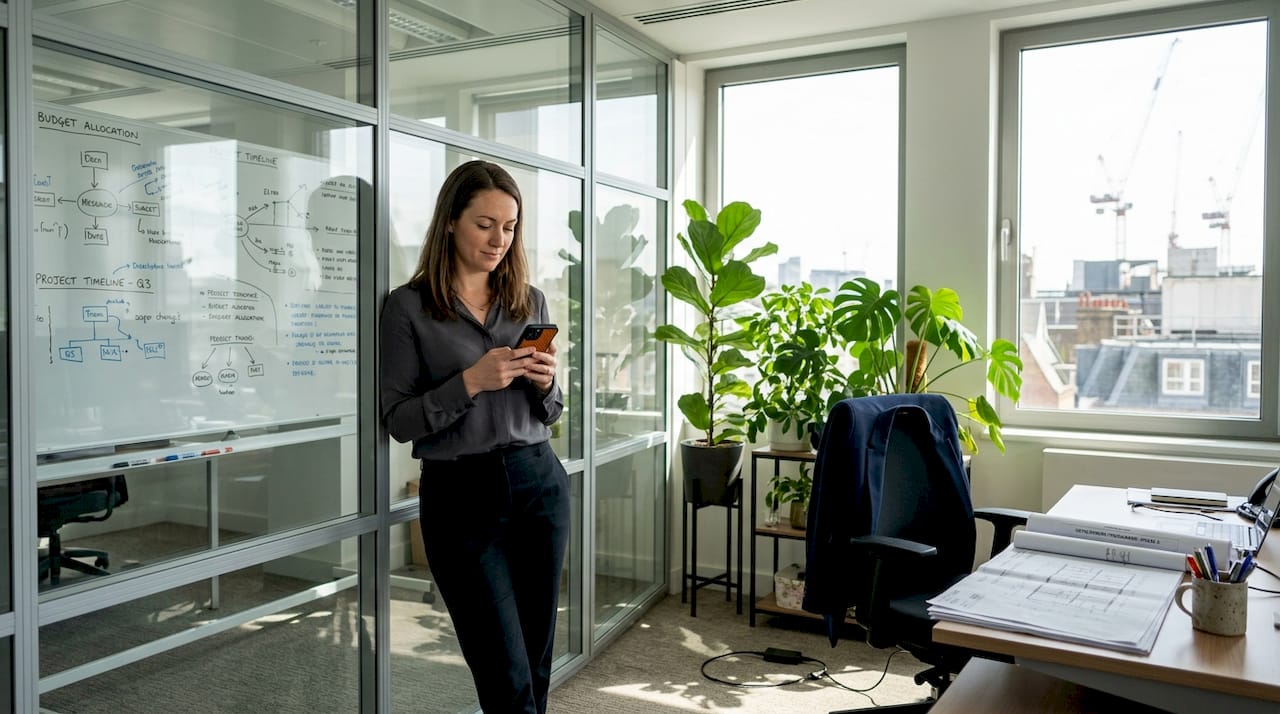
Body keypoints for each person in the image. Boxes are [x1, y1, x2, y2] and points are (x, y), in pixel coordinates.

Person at [380, 160, 569, 714]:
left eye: (509, 227)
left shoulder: (529, 301)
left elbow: (551, 412)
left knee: (535, 661)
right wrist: (468, 383)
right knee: (503, 670)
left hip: (539, 481)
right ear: (450, 223)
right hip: (462, 496)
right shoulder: (407, 307)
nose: (499, 240)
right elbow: (398, 420)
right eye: (485, 224)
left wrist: (547, 383)